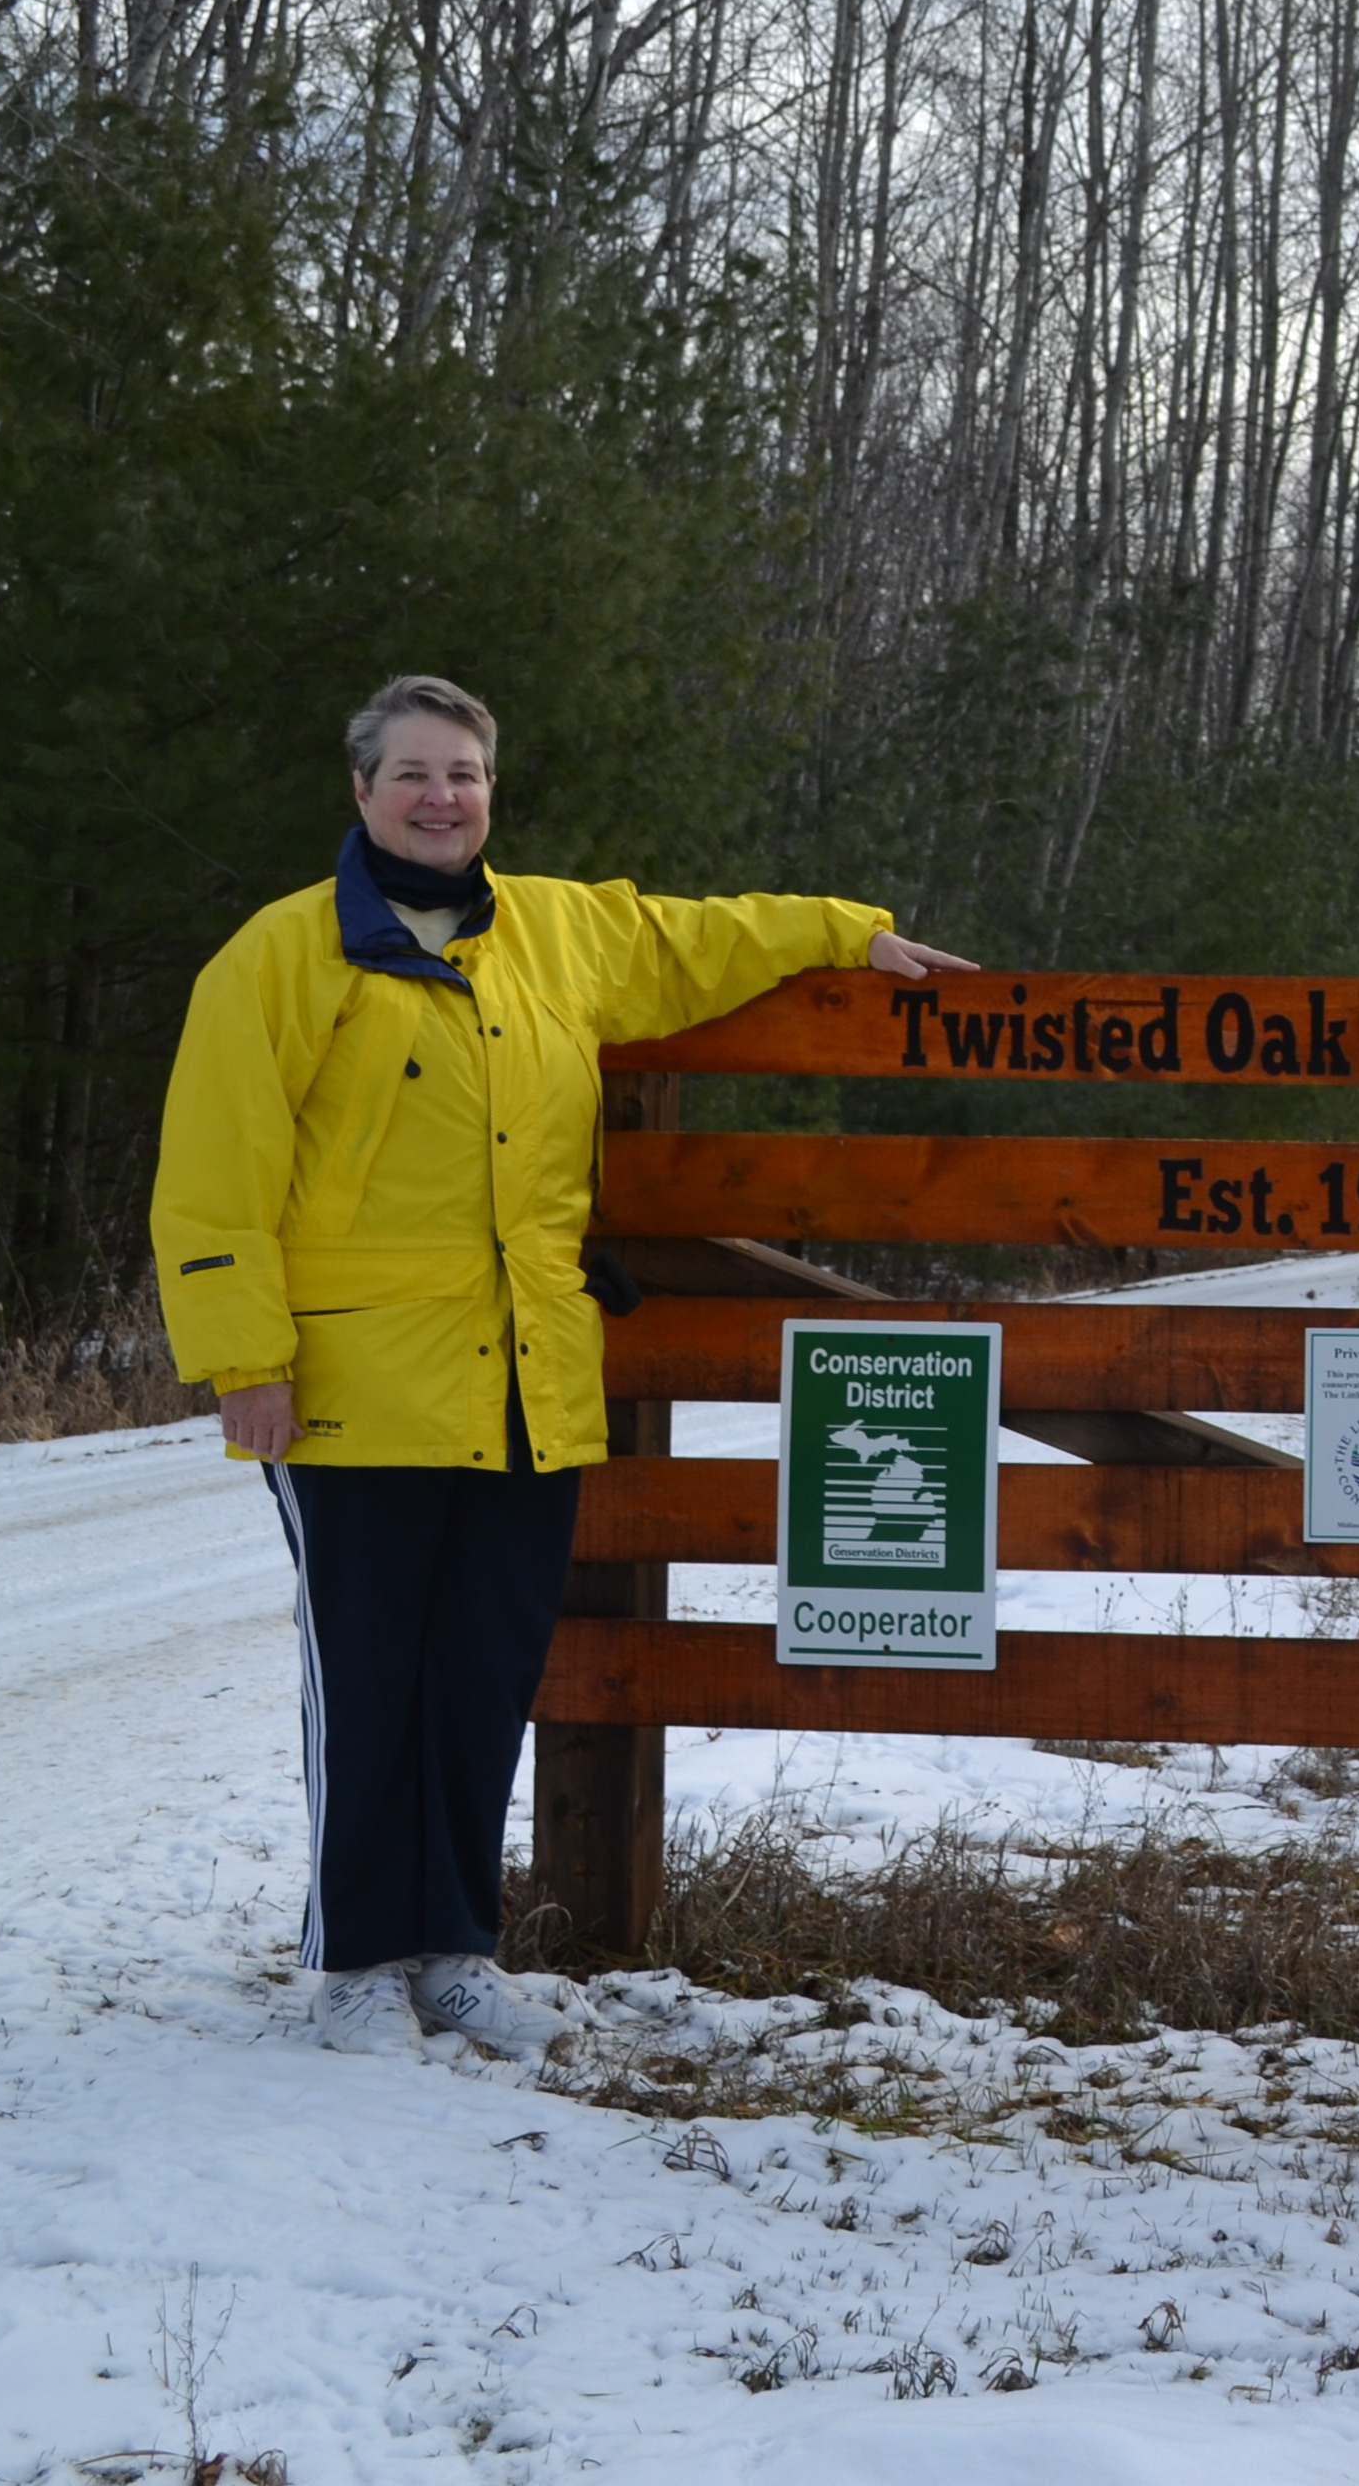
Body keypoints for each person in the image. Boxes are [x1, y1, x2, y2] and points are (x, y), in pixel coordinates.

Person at [151, 675, 978, 2061]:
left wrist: (854, 933)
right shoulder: (280, 958)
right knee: (369, 1683)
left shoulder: (558, 931)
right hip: (356, 1394)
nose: (441, 797)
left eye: (464, 774)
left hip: (531, 1386)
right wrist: (245, 1361)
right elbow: (211, 1182)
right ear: (360, 793)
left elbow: (702, 941)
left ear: (491, 792)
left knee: (485, 1676)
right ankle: (357, 1958)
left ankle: (456, 1951)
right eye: (413, 773)